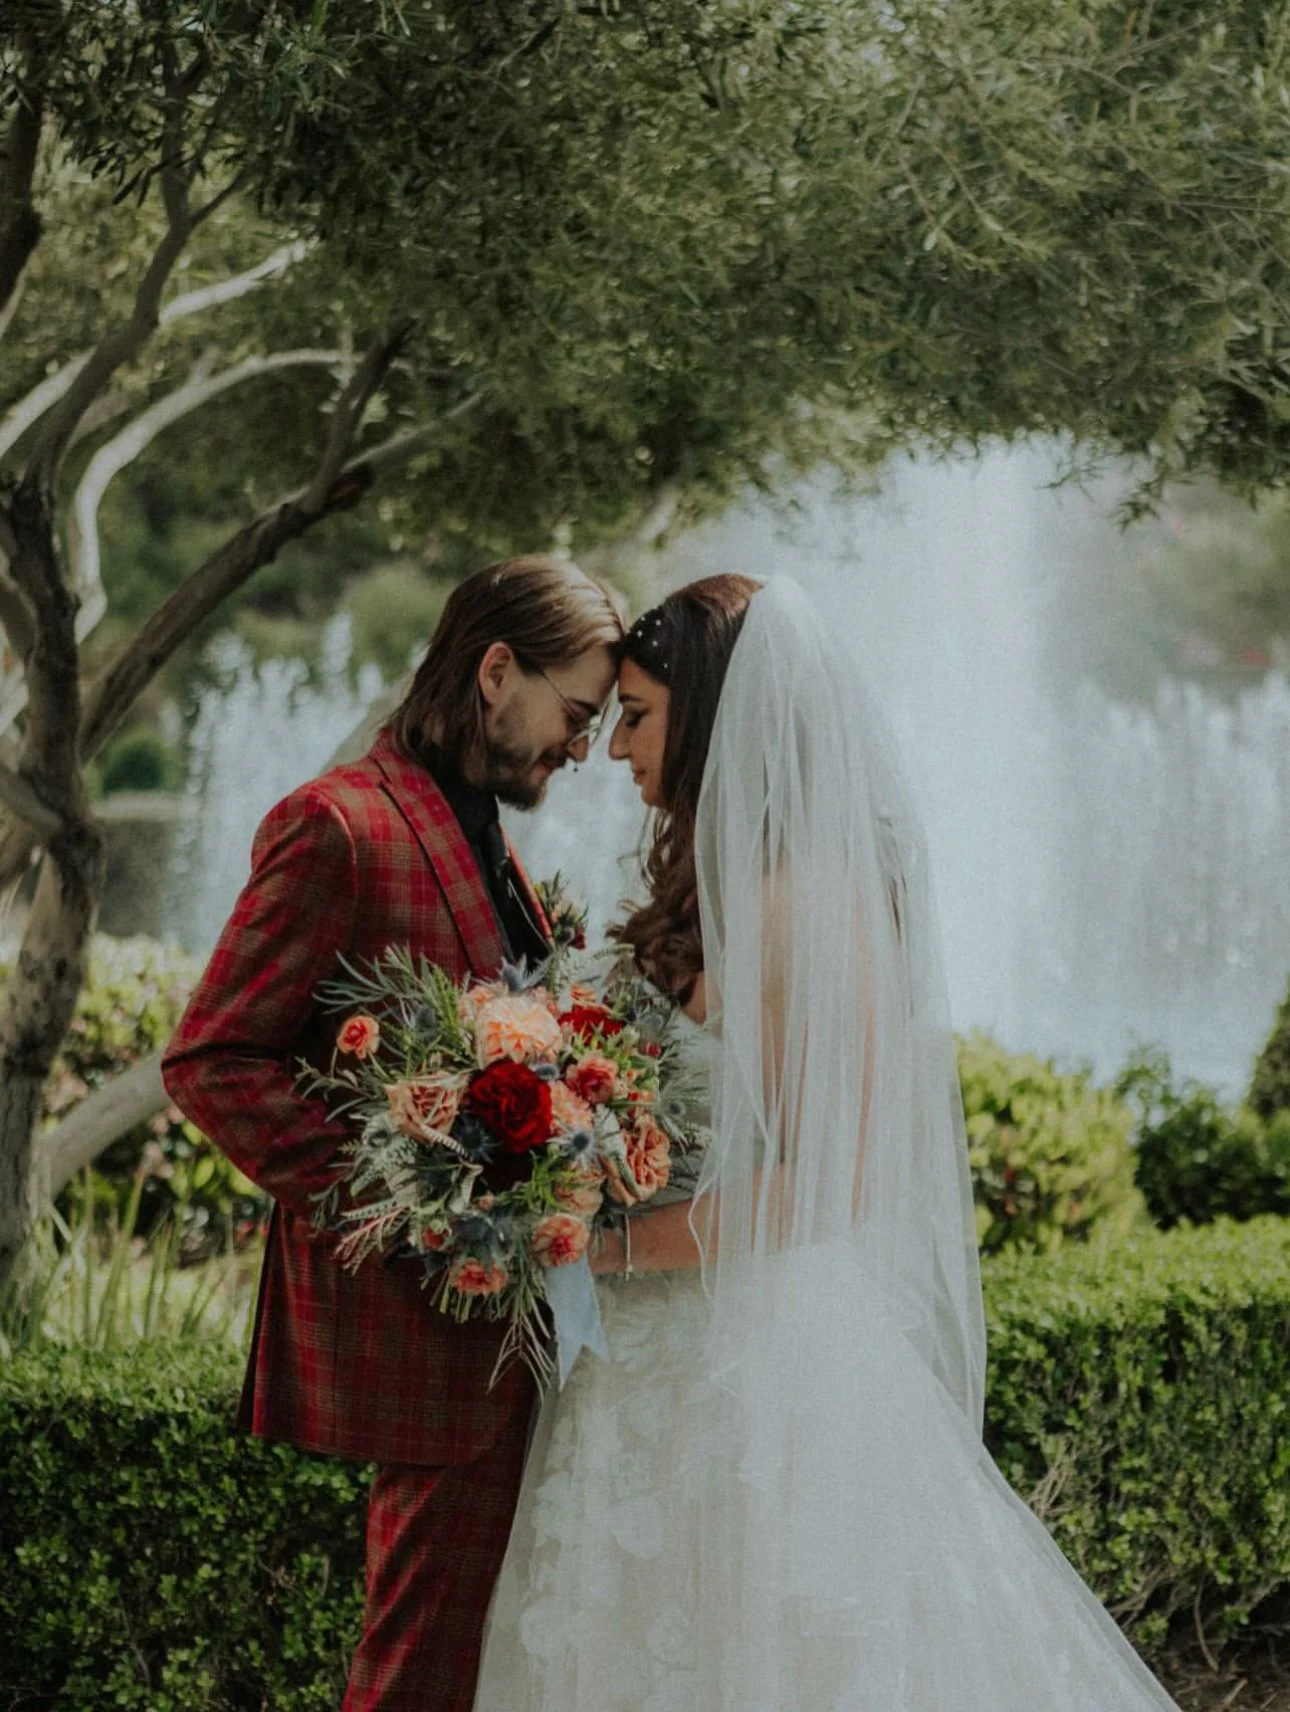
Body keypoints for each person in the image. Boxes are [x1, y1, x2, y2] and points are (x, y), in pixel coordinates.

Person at [473, 574, 1182, 1710]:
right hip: (643, 1355)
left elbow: (831, 1183)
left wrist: (601, 1247)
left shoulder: (812, 900)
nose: (614, 749)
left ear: (715, 721)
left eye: (641, 716)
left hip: (753, 1359)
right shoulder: (709, 886)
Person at [161, 554, 622, 1712]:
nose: (581, 748)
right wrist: (413, 1206)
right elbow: (213, 1056)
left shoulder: (482, 834)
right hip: (431, 1331)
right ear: (495, 669)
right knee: (419, 1674)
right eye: (574, 715)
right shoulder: (338, 826)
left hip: (516, 1329)